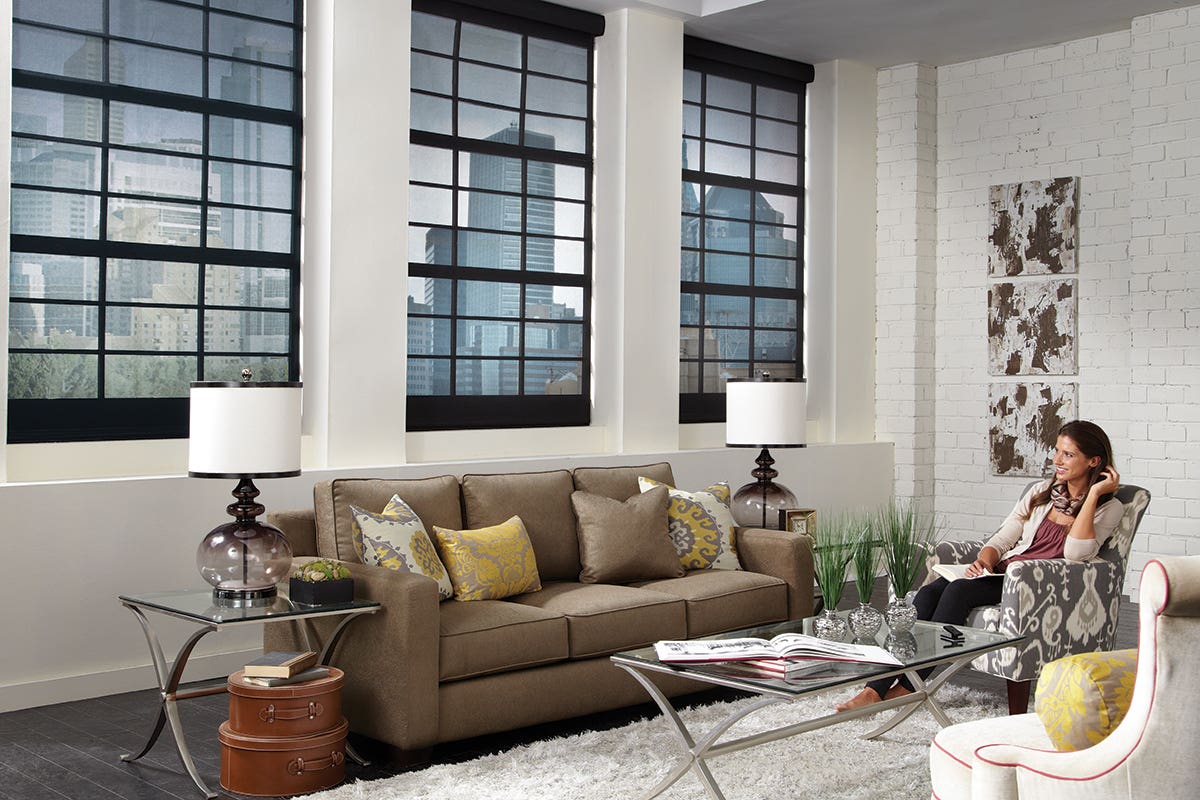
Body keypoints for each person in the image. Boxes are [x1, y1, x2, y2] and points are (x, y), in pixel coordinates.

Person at [836, 419, 1125, 712]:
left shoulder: (1109, 507)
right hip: (1001, 573)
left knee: (959, 592)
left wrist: (1092, 496)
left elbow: (1077, 554)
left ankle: (908, 687)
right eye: (1057, 451)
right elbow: (1003, 537)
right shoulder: (1041, 492)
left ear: (1094, 461)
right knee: (927, 595)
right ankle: (876, 687)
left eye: (1068, 454)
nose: (1057, 460)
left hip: (1037, 586)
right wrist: (983, 561)